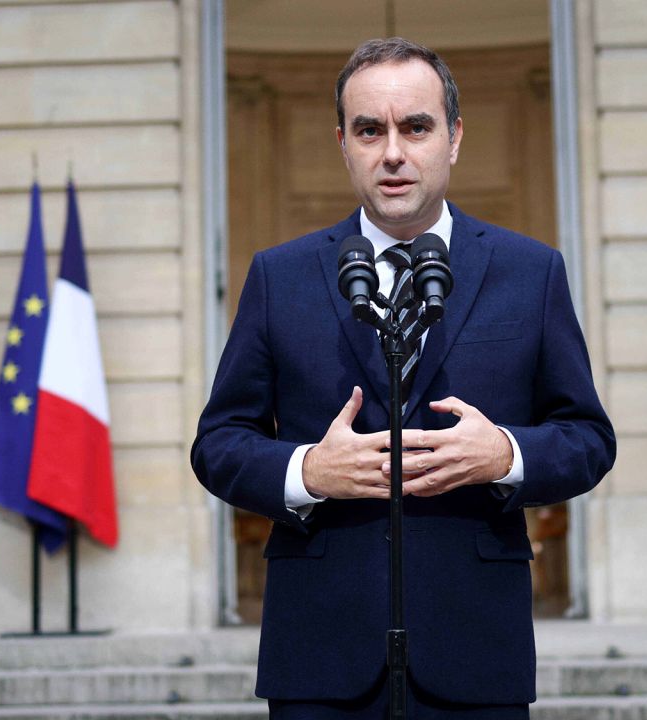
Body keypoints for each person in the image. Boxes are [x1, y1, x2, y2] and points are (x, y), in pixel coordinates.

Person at [191, 37, 615, 719]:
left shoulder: (531, 272)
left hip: (476, 652)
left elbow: (589, 439)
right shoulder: (280, 276)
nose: (393, 152)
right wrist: (307, 472)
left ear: (452, 138)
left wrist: (505, 454)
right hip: (321, 655)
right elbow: (218, 444)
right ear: (343, 143)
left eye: (415, 127)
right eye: (370, 130)